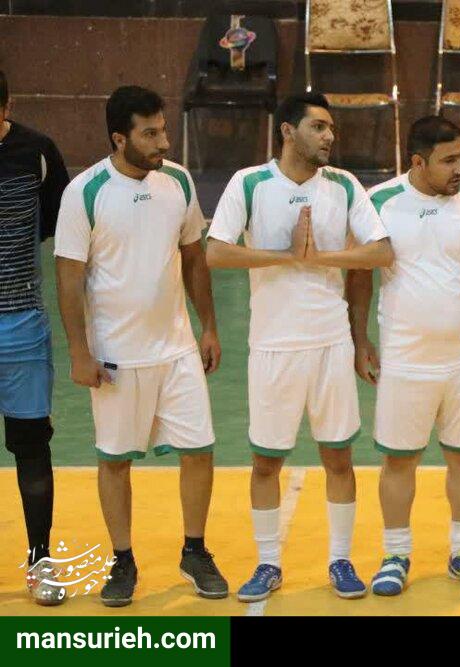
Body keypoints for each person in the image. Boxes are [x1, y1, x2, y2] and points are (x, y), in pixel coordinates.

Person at [206, 93, 393, 602]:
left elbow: (380, 251)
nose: (330, 136)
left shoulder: (344, 185)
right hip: (272, 346)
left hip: (331, 343)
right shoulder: (249, 183)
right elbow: (216, 252)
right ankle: (268, 563)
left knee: (339, 459)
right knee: (266, 463)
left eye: (331, 128)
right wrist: (286, 255)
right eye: (318, 127)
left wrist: (320, 258)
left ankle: (340, 560)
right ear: (288, 131)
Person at [54, 86, 227, 606]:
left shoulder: (178, 181)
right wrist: (79, 353)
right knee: (115, 460)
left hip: (176, 348)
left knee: (199, 450)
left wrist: (209, 326)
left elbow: (194, 257)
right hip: (116, 355)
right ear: (119, 138)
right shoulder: (84, 192)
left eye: (163, 130)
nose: (163, 142)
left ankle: (194, 551)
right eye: (150, 134)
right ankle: (123, 560)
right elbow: (69, 277)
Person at [349, 116, 460, 596]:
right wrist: (360, 339)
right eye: (448, 160)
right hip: (404, 361)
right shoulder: (379, 202)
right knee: (399, 461)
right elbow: (360, 276)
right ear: (418, 162)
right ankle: (395, 555)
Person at [0, 69, 69, 605]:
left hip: (20, 327)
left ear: (7, 106)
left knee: (30, 447)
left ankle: (40, 560)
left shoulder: (37, 152)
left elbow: (56, 226)